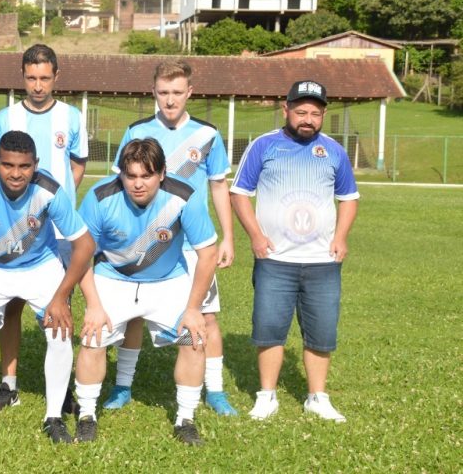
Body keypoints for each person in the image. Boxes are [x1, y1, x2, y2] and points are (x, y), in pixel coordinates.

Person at [0, 131, 95, 444]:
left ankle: (53, 417)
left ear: (35, 164)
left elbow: (84, 245)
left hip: (40, 266)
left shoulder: (49, 190)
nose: (16, 173)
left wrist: (61, 297)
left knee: (59, 330)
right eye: (8, 165)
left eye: (24, 166)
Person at [105, 60, 237, 416]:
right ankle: (123, 386)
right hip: (144, 241)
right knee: (133, 316)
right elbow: (119, 185)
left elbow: (219, 186)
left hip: (192, 244)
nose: (170, 100)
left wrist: (227, 237)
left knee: (206, 316)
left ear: (189, 92)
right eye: (163, 92)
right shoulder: (136, 131)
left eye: (177, 92)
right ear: (153, 92)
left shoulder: (207, 134)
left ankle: (216, 391)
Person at [74, 138, 217, 446]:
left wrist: (194, 309)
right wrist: (93, 305)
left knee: (193, 338)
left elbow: (208, 254)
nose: (138, 184)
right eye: (131, 176)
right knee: (92, 338)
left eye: (146, 176)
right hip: (113, 277)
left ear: (162, 173)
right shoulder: (100, 197)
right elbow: (81, 255)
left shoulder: (184, 196)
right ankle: (86, 416)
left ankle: (185, 419)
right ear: (121, 174)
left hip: (168, 280)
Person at [231, 80, 358, 423]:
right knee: (269, 327)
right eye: (301, 112)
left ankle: (317, 397)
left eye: (315, 113)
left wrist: (341, 237)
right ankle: (266, 396)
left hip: (322, 262)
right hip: (275, 260)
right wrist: (256, 236)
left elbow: (349, 198)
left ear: (324, 115)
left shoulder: (334, 151)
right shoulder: (264, 146)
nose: (308, 119)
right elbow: (239, 193)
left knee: (322, 331)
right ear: (285, 109)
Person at [0, 44, 88, 412]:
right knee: (11, 306)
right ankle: (8, 383)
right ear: (23, 77)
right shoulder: (6, 117)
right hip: (14, 227)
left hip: (58, 231)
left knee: (60, 307)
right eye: (31, 78)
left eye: (45, 78)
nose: (38, 85)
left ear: (56, 77)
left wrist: (56, 201)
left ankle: (62, 390)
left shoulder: (72, 117)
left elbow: (77, 165)